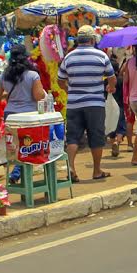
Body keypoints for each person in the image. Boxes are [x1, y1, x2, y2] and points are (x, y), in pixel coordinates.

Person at [58, 26, 115, 182]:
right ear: (92, 39)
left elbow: (60, 80)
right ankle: (96, 171)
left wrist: (69, 90)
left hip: (74, 104)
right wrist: (111, 87)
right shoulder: (101, 56)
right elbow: (112, 77)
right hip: (95, 104)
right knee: (96, 137)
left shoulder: (69, 57)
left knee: (73, 137)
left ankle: (71, 167)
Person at [0, 43, 47, 116]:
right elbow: (39, 97)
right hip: (29, 113)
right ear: (25, 59)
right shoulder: (33, 75)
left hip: (10, 114)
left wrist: (9, 95)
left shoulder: (4, 75)